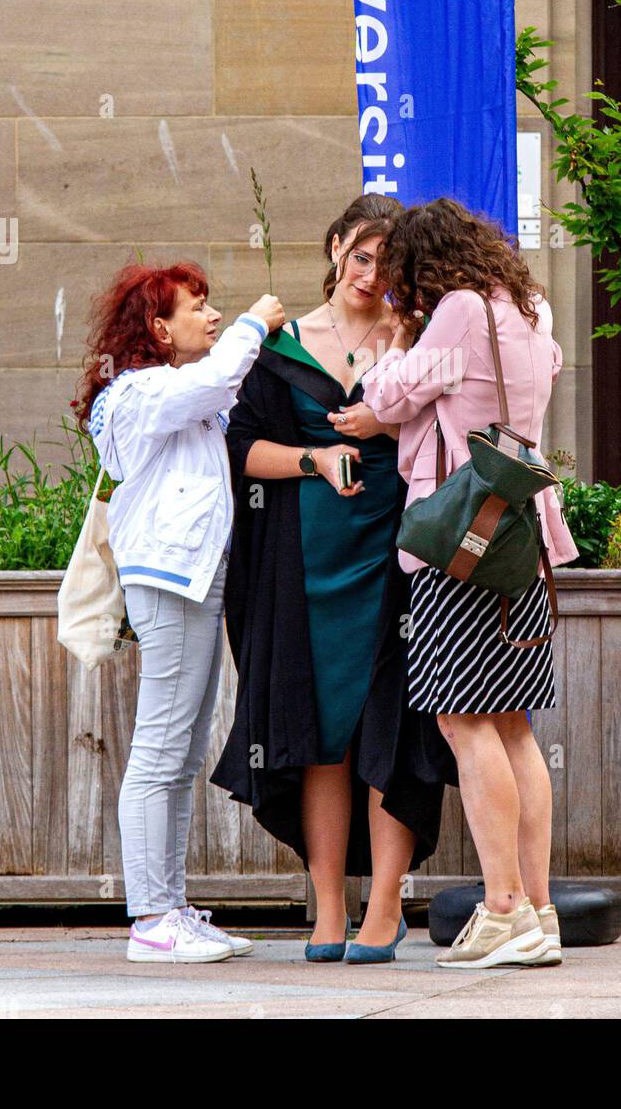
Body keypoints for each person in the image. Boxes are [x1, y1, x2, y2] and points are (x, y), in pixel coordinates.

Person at [211, 195, 453, 964]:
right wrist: (314, 458)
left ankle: (384, 905)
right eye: (360, 255)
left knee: (389, 731)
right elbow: (240, 450)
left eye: (386, 262)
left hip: (397, 559)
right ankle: (325, 906)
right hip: (302, 567)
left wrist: (386, 423)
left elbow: (453, 426)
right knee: (319, 738)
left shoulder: (415, 338)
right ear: (335, 249)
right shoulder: (281, 347)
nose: (371, 273)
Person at [359, 198, 578, 970]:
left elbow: (384, 402)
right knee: (512, 721)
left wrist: (391, 345)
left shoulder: (453, 311)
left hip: (460, 541)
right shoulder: (532, 307)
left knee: (463, 720)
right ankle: (540, 910)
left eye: (400, 279)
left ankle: (503, 908)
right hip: (525, 536)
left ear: (424, 266)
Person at [76, 261, 284, 963]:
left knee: (184, 748)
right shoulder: (138, 391)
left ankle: (171, 908)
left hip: (191, 578)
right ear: (159, 329)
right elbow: (215, 379)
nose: (214, 315)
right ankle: (150, 919)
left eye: (214, 306)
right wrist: (258, 322)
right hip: (167, 581)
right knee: (161, 749)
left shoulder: (169, 391)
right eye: (198, 307)